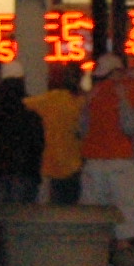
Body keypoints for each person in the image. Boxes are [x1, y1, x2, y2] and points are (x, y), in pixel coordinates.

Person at [0, 73, 45, 266]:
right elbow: (38, 146)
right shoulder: (31, 118)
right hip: (24, 174)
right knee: (22, 221)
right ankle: (20, 262)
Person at [78, 54, 134, 240]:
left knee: (94, 211)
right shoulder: (133, 91)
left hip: (93, 161)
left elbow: (81, 129)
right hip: (122, 160)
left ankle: (97, 248)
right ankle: (125, 247)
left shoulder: (92, 94)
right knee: (127, 210)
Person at [29, 63, 87, 206]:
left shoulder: (50, 99)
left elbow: (23, 104)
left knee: (53, 209)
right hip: (75, 164)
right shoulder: (84, 102)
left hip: (51, 164)